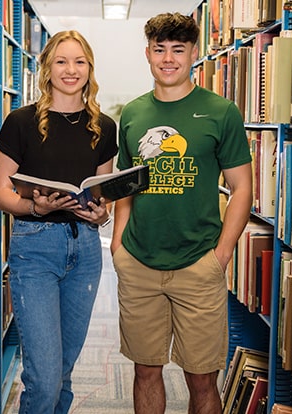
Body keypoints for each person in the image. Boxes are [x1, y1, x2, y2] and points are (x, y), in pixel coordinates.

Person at [110, 12, 253, 414]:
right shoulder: (134, 114)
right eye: (160, 50)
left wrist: (221, 254)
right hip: (139, 262)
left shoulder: (221, 111)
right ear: (148, 54)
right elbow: (127, 184)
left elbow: (243, 188)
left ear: (193, 53)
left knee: (203, 379)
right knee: (145, 372)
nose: (168, 58)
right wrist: (119, 244)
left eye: (178, 49)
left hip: (198, 263)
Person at [0, 30, 118, 414]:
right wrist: (35, 209)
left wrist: (101, 214)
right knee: (44, 378)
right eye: (61, 61)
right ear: (47, 67)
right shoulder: (21, 121)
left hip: (85, 249)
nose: (70, 69)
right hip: (36, 247)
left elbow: (103, 197)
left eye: (79, 61)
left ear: (90, 69)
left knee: (63, 371)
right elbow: (0, 193)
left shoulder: (104, 127)